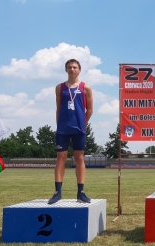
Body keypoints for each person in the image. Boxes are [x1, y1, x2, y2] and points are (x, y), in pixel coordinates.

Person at [48, 59, 93, 204]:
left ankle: (81, 193)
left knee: (79, 158)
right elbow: (58, 108)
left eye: (75, 67)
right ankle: (57, 192)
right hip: (63, 128)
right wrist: (59, 125)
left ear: (79, 70)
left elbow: (90, 109)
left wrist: (83, 123)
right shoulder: (59, 87)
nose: (72, 69)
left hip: (79, 128)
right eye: (69, 67)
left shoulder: (85, 87)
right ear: (66, 70)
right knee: (60, 158)